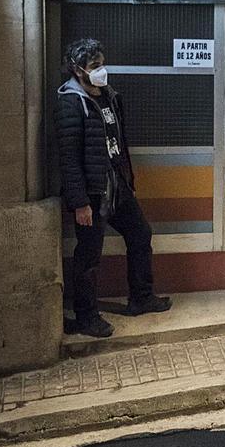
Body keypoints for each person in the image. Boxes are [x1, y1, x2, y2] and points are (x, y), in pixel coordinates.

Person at [56, 38, 171, 339]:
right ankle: (85, 316)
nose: (101, 70)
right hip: (93, 193)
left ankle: (141, 297)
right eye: (95, 66)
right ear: (77, 69)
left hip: (117, 186)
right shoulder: (71, 101)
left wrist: (127, 181)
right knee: (89, 254)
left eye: (102, 63)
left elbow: (118, 144)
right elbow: (68, 158)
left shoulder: (108, 95)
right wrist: (79, 202)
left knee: (140, 234)